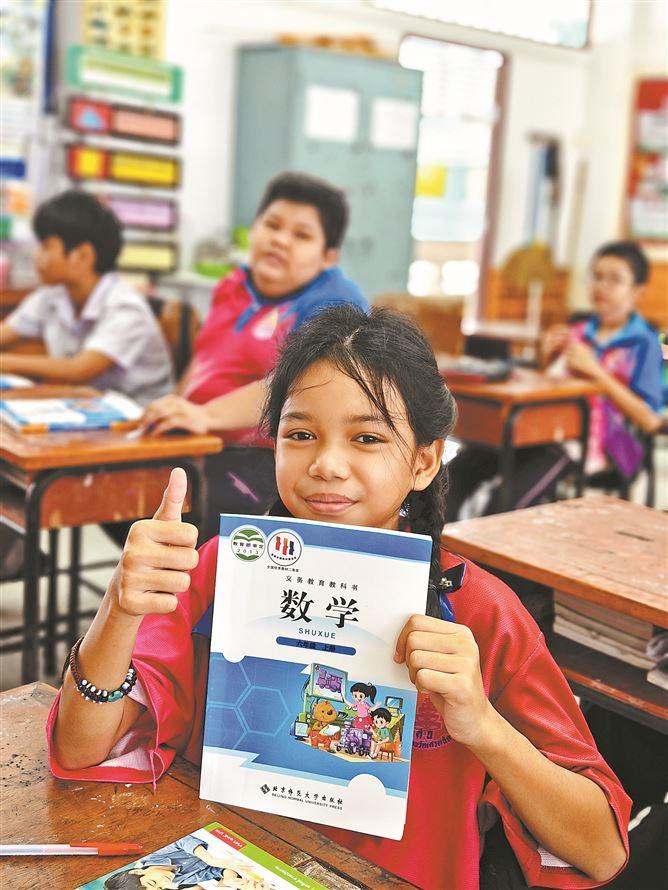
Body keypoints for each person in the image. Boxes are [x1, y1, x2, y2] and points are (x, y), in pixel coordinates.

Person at [49, 307, 629, 890]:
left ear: (424, 460)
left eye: (367, 438)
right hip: (222, 864)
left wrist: (482, 726)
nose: (326, 465)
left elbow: (602, 851)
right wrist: (119, 607)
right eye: (300, 434)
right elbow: (80, 748)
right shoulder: (221, 570)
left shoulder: (481, 613)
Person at [140, 171, 367, 540]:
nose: (280, 240)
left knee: (202, 535)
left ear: (329, 256)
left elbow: (299, 384)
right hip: (196, 444)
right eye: (272, 225)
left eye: (301, 235)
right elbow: (204, 360)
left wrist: (205, 415)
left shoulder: (336, 301)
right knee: (110, 489)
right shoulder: (233, 285)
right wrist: (176, 407)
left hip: (265, 459)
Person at [445, 240, 663, 522]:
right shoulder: (577, 330)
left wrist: (597, 373)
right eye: (597, 276)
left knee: (505, 500)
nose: (601, 286)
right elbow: (554, 387)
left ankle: (486, 545)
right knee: (456, 475)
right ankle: (438, 542)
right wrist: (545, 358)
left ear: (637, 290)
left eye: (615, 279)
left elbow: (650, 421)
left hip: (590, 444)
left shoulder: (645, 343)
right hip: (540, 431)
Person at [0, 189, 173, 405]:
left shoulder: (126, 307)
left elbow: (78, 369)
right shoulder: (52, 295)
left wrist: (4, 363)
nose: (37, 256)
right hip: (86, 407)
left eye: (46, 247)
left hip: (140, 416)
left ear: (83, 255)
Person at [102, 832, 253, 888]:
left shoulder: (151, 854)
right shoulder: (179, 881)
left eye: (153, 882)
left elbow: (181, 840)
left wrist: (209, 859)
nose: (164, 883)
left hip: (220, 829)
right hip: (240, 844)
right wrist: (229, 880)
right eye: (160, 888)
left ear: (137, 872)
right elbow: (216, 870)